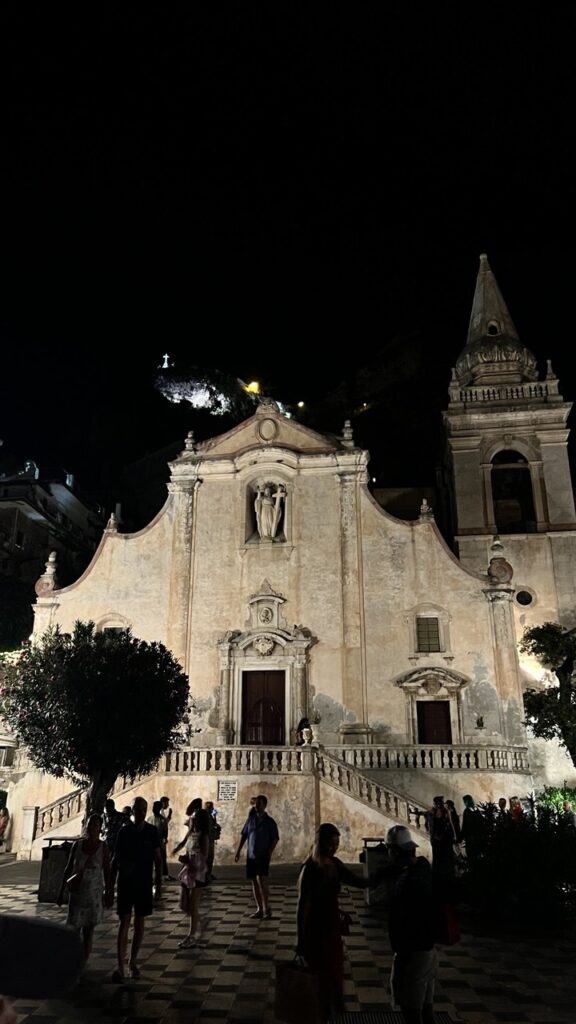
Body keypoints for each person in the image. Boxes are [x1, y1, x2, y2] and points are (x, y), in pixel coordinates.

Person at [297, 822, 368, 1019]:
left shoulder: (334, 864)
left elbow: (358, 881)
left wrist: (384, 875)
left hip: (331, 929)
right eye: (332, 844)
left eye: (337, 844)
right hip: (315, 930)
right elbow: (303, 907)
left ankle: (332, 1013)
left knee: (334, 976)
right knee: (319, 980)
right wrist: (301, 940)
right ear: (322, 843)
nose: (335, 848)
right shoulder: (310, 868)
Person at [387, 825, 439, 1024]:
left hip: (413, 953)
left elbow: (403, 920)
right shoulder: (423, 868)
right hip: (428, 948)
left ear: (395, 851)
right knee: (426, 1009)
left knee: (411, 1011)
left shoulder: (408, 881)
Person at [109, 796, 162, 982]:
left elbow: (158, 858)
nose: (140, 812)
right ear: (132, 811)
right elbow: (115, 859)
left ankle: (133, 961)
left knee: (140, 922)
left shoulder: (151, 831)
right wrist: (109, 887)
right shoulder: (124, 832)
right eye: (137, 809)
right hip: (125, 882)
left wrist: (159, 884)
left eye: (143, 809)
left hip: (144, 882)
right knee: (124, 921)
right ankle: (120, 965)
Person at [58, 813, 111, 962]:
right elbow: (68, 868)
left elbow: (107, 871)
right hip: (77, 894)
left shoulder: (103, 848)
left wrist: (109, 891)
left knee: (89, 931)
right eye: (89, 824)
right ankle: (72, 960)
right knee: (73, 930)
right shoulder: (78, 845)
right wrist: (61, 890)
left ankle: (83, 963)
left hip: (93, 895)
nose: (92, 828)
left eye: (95, 825)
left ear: (100, 828)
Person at [235, 794, 279, 918]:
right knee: (254, 881)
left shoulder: (270, 822)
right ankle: (259, 908)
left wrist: (269, 852)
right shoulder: (250, 820)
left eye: (259, 803)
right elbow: (244, 835)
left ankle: (266, 907)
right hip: (251, 855)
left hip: (262, 855)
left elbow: (275, 838)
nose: (257, 806)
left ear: (265, 805)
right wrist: (238, 851)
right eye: (256, 803)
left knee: (262, 880)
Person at [177, 806, 210, 947]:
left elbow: (203, 857)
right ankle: (199, 922)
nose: (192, 819)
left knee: (192, 904)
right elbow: (188, 848)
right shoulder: (192, 833)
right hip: (187, 872)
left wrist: (189, 859)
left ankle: (191, 935)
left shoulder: (204, 836)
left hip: (197, 874)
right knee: (183, 904)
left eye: (195, 818)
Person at [460, 794, 485, 865]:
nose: (464, 803)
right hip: (478, 838)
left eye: (465, 802)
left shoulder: (467, 811)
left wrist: (460, 837)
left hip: (471, 839)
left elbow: (465, 825)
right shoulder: (477, 810)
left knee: (472, 858)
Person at [204, 800, 221, 881]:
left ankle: (208, 874)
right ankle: (206, 875)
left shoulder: (210, 816)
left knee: (210, 858)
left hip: (210, 839)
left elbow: (214, 824)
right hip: (207, 840)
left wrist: (214, 817)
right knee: (208, 858)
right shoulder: (205, 817)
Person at [159, 795, 174, 880]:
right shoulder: (161, 812)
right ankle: (163, 875)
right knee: (162, 856)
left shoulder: (161, 812)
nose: (168, 805)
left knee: (163, 856)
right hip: (160, 838)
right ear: (163, 803)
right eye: (167, 803)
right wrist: (170, 815)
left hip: (162, 838)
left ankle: (164, 874)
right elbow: (163, 825)